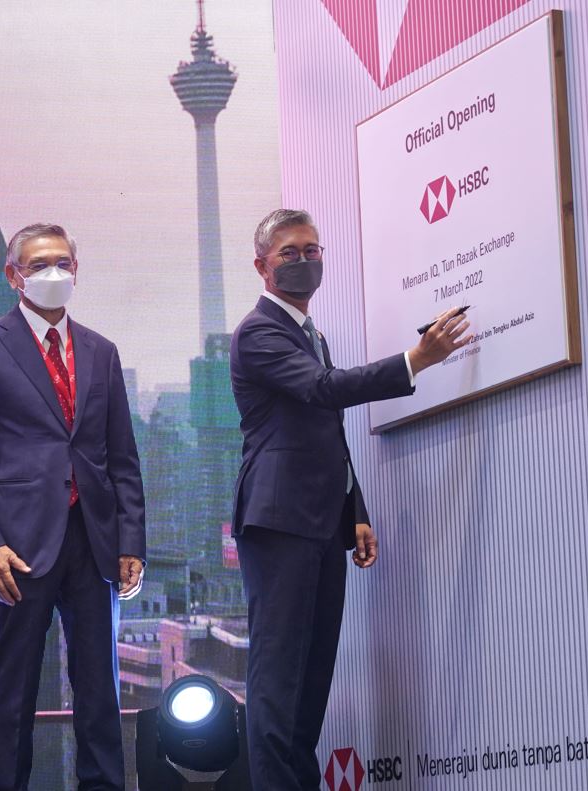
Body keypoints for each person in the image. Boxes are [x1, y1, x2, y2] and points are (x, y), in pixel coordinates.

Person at [230, 209, 471, 789]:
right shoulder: (259, 331)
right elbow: (323, 389)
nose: (304, 261)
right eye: (290, 253)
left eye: (312, 250)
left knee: (312, 682)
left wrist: (354, 509)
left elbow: (324, 427)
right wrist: (415, 360)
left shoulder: (311, 335)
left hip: (321, 522)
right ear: (262, 266)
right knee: (278, 682)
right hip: (278, 521)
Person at [0, 223, 146, 791]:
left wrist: (131, 541)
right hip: (18, 544)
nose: (53, 273)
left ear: (76, 270)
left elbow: (122, 457)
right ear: (13, 276)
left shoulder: (101, 351)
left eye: (62, 262)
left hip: (93, 538)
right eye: (38, 265)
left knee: (99, 686)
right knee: (15, 688)